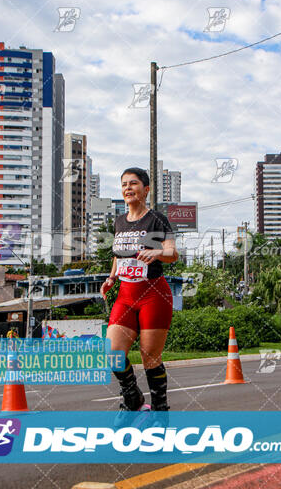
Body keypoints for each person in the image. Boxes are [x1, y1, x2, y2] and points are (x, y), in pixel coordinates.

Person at [101, 167, 178, 417]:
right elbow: (118, 254)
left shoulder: (156, 220)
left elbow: (173, 253)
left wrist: (157, 252)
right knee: (112, 352)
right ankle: (132, 397)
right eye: (124, 184)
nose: (127, 188)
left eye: (133, 184)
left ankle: (160, 411)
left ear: (146, 189)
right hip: (125, 295)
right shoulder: (119, 222)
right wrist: (111, 277)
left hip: (154, 295)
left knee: (149, 357)